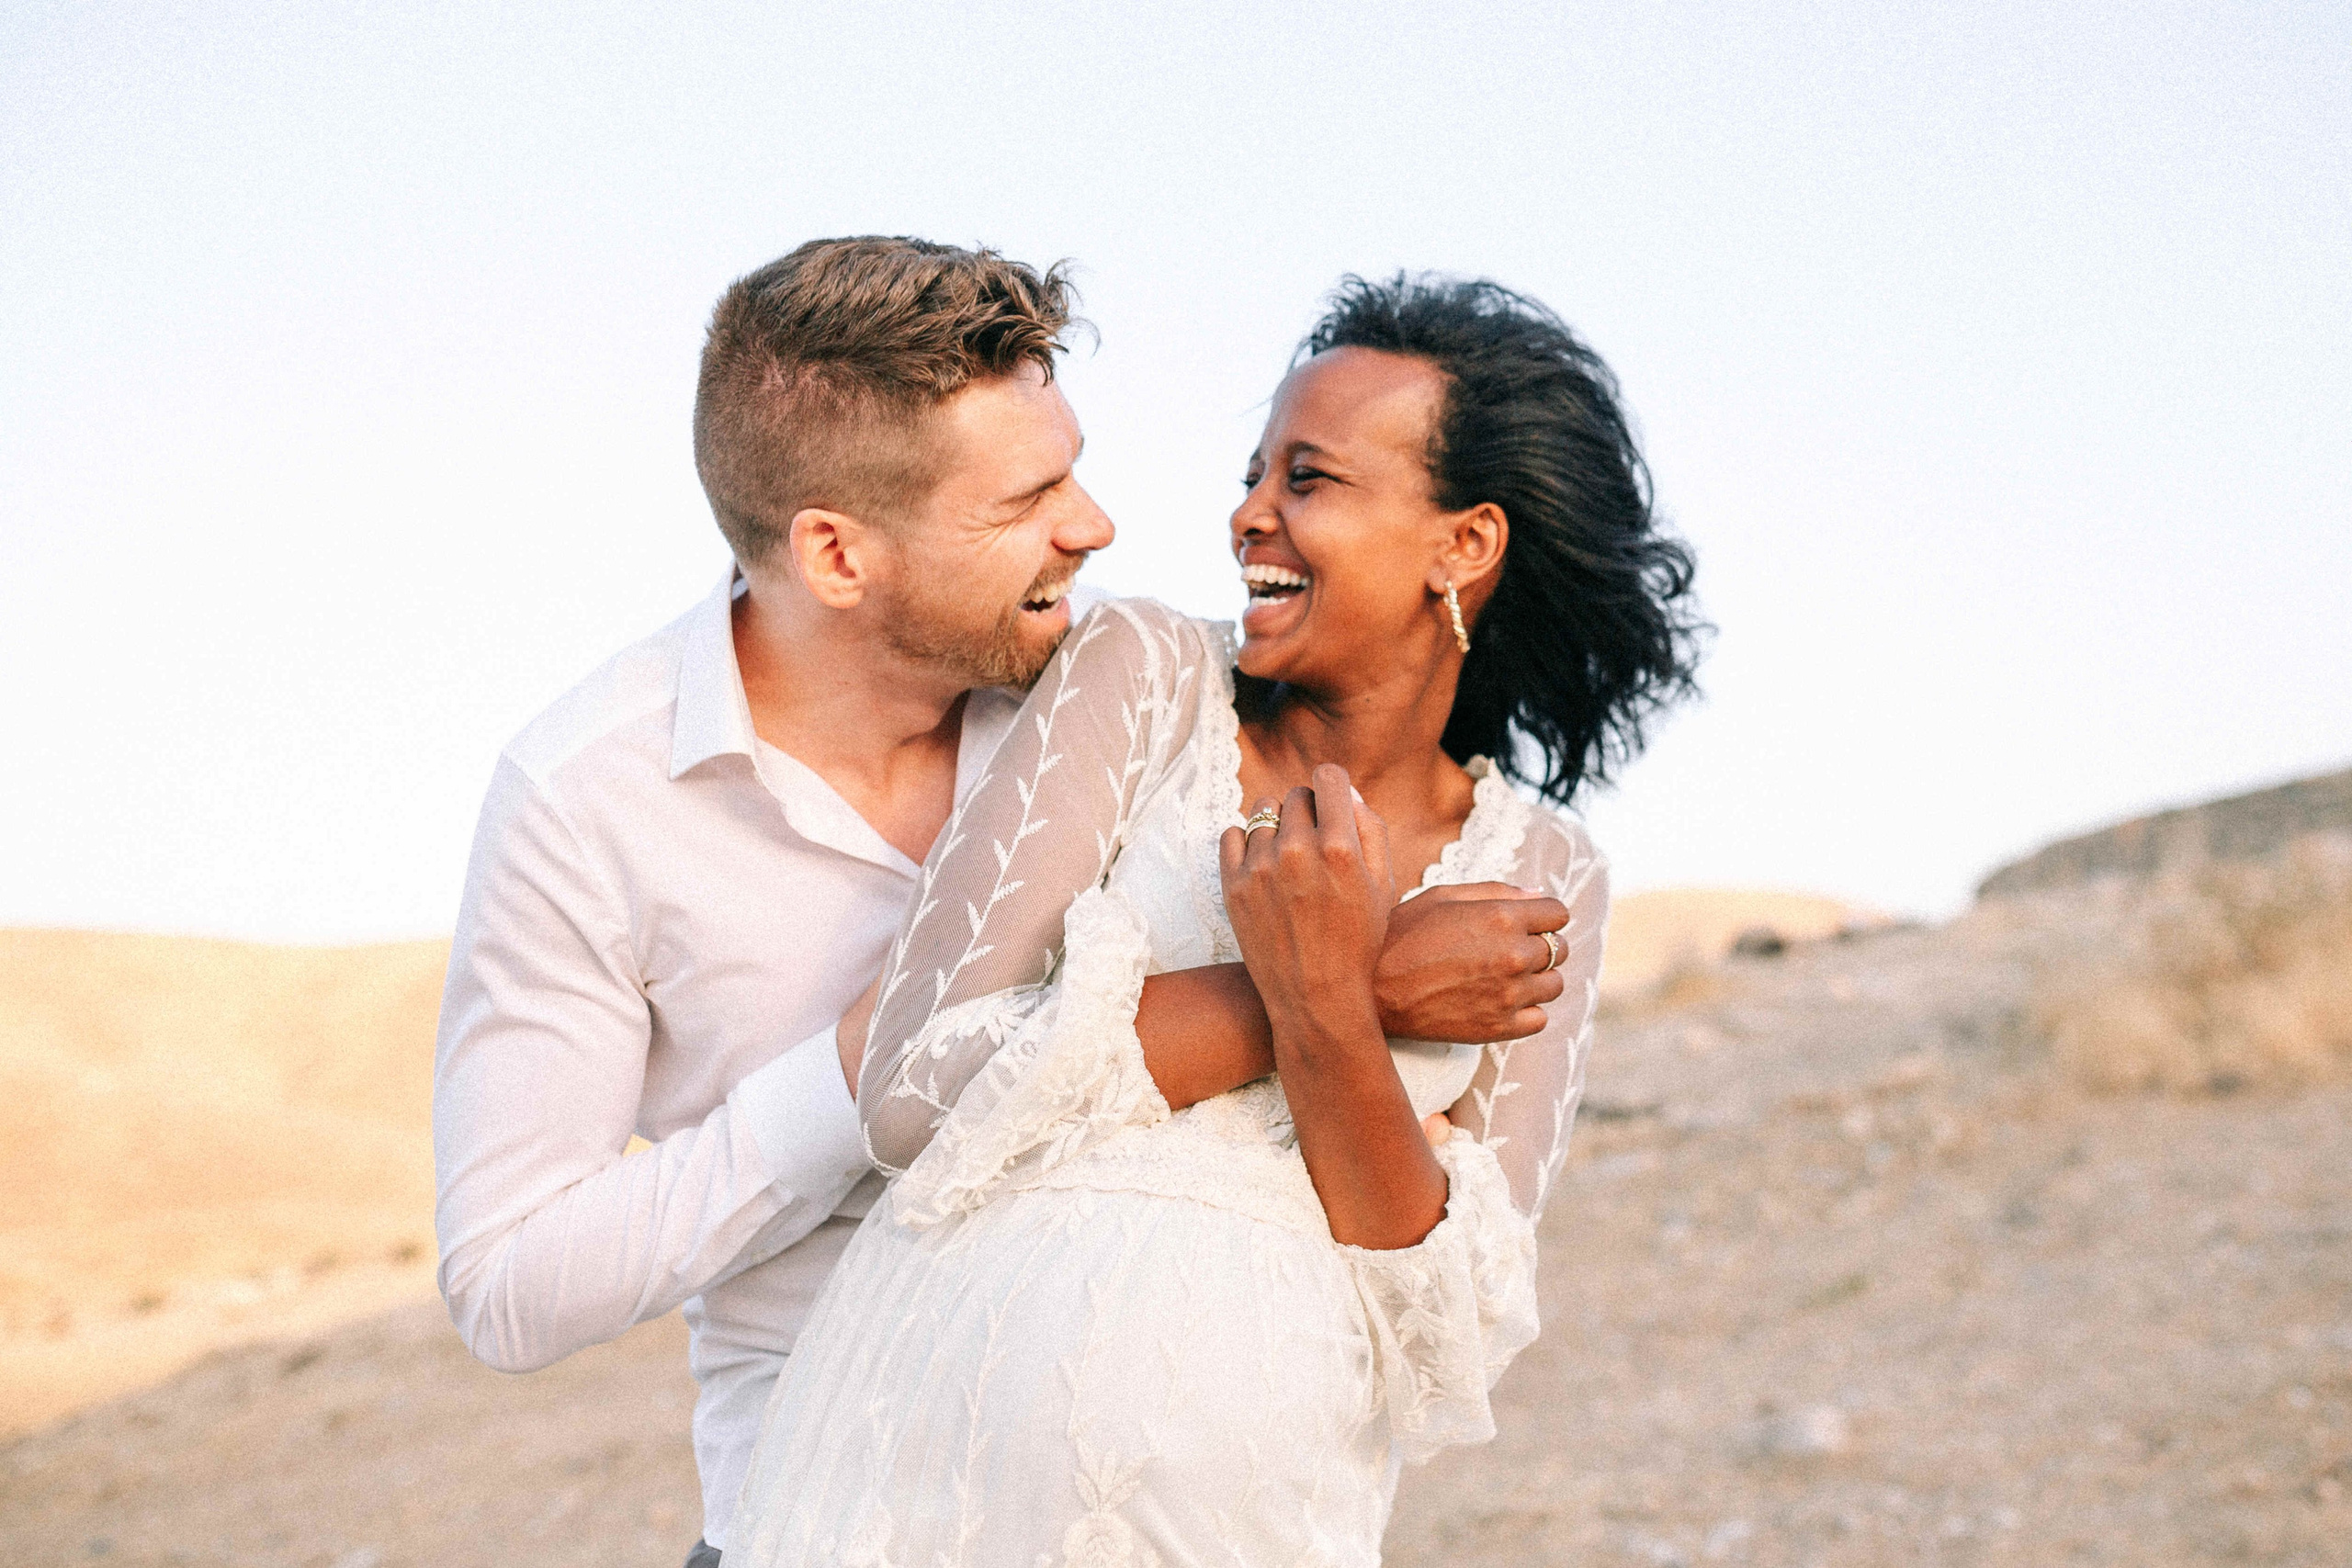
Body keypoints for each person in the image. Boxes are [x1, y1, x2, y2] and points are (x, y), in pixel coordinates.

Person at [431, 239, 1566, 1566]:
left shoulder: (1123, 691)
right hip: (829, 1520)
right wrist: (851, 1077)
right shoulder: (591, 800)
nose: (1091, 525)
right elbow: (508, 1283)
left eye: (1072, 467)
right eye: (1026, 500)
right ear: (838, 554)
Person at [729, 275, 1702, 1565]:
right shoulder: (1142, 678)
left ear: (1461, 546)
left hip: (1248, 1523)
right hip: (922, 1479)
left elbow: (1452, 1326)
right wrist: (1339, 990)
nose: (1249, 514)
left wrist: (1331, 1009)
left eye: (1309, 480)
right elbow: (917, 1086)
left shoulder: (1542, 873)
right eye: (1258, 472)